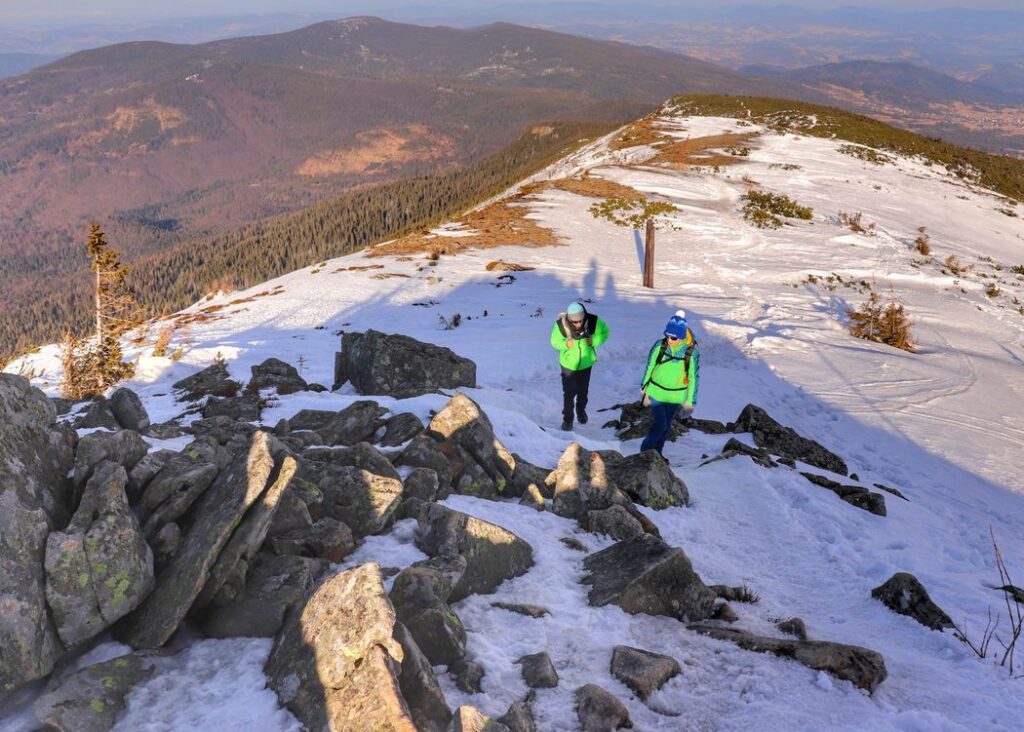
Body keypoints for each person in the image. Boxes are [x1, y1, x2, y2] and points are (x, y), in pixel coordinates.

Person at [639, 309, 699, 460]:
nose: (669, 340)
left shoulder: (691, 353)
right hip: (656, 393)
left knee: (666, 427)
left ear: (681, 336)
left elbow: (693, 377)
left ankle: (657, 454)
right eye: (667, 336)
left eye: (673, 338)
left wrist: (690, 401)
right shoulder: (660, 346)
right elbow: (650, 366)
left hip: (675, 396)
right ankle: (645, 452)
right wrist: (643, 387)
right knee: (659, 425)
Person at [550, 301, 610, 431]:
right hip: (568, 365)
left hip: (586, 364)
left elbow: (605, 332)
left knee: (583, 391)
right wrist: (565, 344)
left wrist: (594, 340)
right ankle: (568, 419)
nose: (578, 324)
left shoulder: (593, 321)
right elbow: (554, 342)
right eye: (574, 322)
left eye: (580, 321)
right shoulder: (560, 325)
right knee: (569, 392)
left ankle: (581, 410)